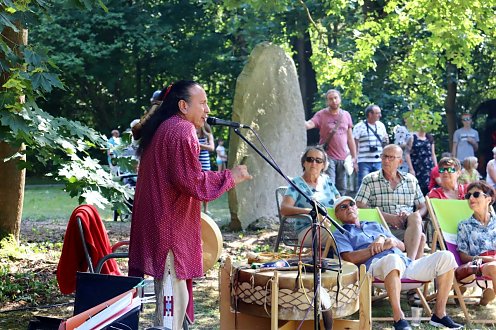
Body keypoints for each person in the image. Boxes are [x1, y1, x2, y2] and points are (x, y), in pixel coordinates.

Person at [128, 80, 252, 329]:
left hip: (162, 222)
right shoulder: (181, 130)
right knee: (171, 298)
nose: (207, 110)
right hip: (169, 229)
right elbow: (192, 183)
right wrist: (231, 176)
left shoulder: (163, 127)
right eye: (203, 103)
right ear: (183, 105)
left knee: (174, 292)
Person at [332, 196, 463, 330]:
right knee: (392, 260)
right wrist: (380, 247)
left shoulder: (374, 225)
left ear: (357, 208)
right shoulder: (341, 233)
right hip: (375, 269)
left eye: (351, 204)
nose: (349, 207)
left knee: (446, 256)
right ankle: (398, 318)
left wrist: (390, 241)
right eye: (343, 207)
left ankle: (439, 315)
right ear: (337, 215)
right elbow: (349, 258)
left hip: (405, 264)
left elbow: (402, 246)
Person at [355, 144, 426, 260]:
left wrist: (409, 216)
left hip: (406, 227)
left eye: (391, 157)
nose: (386, 160)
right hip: (381, 229)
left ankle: (409, 262)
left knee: (416, 217)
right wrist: (389, 218)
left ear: (400, 162)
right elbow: (359, 206)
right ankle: (411, 266)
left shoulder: (410, 180)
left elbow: (422, 207)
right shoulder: (370, 180)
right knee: (421, 237)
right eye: (384, 156)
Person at [280, 146, 340, 246]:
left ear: (324, 165)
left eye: (318, 160)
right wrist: (310, 212)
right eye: (310, 159)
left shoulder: (327, 181)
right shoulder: (297, 183)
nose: (314, 163)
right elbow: (284, 209)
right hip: (308, 229)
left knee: (352, 230)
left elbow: (340, 201)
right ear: (304, 163)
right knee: (340, 235)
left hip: (331, 225)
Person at [305, 89, 357, 194]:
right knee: (329, 183)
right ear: (327, 102)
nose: (333, 101)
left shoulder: (346, 115)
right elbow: (310, 124)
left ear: (340, 99)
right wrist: (300, 122)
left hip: (343, 157)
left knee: (342, 187)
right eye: (330, 99)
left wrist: (354, 156)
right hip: (328, 156)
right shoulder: (321, 114)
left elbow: (350, 138)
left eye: (335, 98)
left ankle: (340, 207)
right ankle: (329, 207)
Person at [456, 181, 496, 306]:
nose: (471, 198)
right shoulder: (464, 225)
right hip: (479, 265)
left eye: (476, 194)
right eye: (468, 196)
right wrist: (484, 258)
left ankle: (485, 299)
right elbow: (463, 256)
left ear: (488, 199)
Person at [353, 104, 389, 186]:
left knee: (379, 184)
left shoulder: (381, 126)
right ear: (370, 114)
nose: (380, 115)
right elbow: (354, 144)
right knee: (364, 184)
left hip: (378, 161)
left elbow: (385, 142)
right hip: (363, 161)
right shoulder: (359, 126)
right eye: (377, 113)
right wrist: (355, 160)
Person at [405, 129, 437, 196]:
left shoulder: (430, 138)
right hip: (417, 167)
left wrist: (436, 167)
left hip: (428, 167)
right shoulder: (412, 138)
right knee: (417, 188)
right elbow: (407, 153)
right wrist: (411, 169)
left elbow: (433, 154)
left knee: (429, 187)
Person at [197, 123, 215, 214]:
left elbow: (211, 148)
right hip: (196, 165)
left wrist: (199, 145)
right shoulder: (193, 133)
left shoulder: (207, 136)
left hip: (205, 165)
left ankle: (205, 209)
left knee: (206, 188)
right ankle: (197, 209)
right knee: (197, 188)